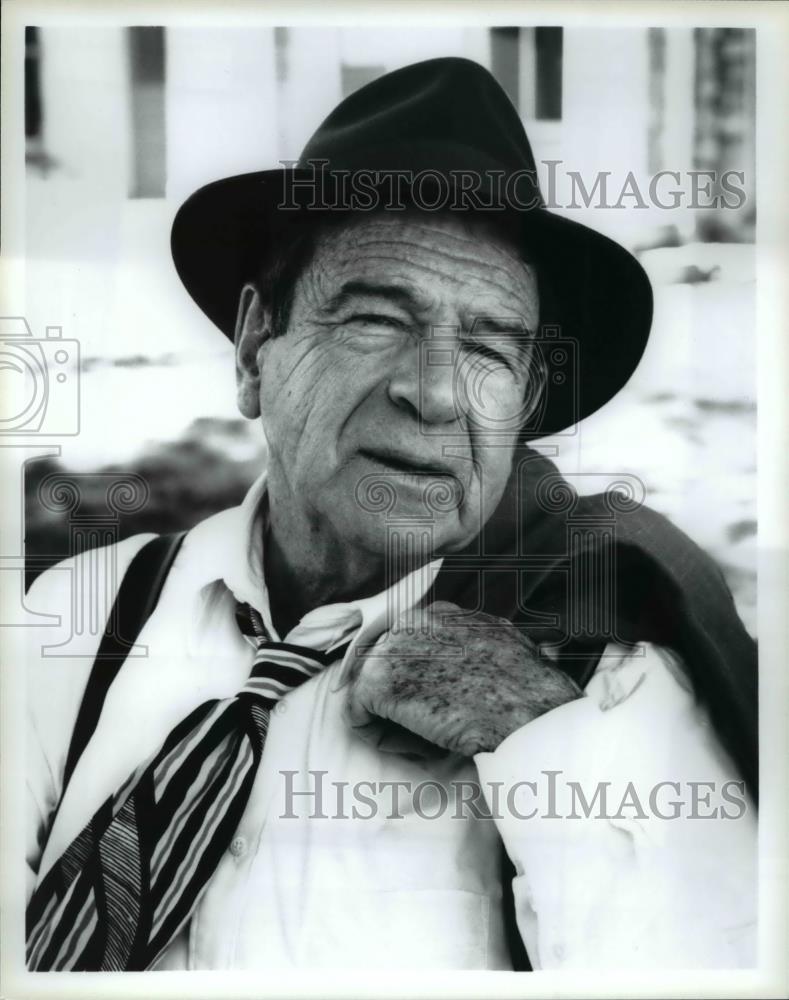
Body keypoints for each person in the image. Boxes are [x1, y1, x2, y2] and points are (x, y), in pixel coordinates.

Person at [24, 58, 756, 972]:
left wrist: (538, 727)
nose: (438, 394)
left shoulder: (606, 674)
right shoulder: (80, 615)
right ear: (256, 348)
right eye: (376, 318)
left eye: (490, 347)